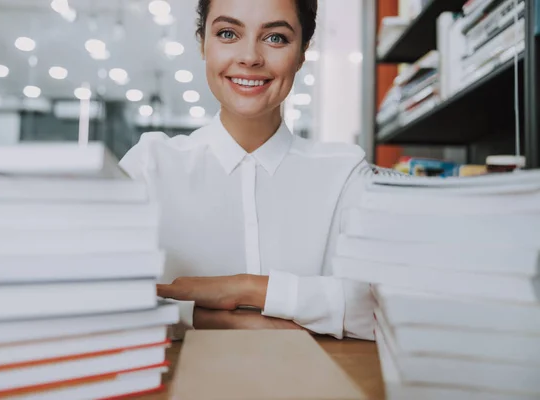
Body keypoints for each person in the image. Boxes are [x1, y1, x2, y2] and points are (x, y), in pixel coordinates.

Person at [120, 0, 376, 340]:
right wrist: (204, 317)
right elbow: (92, 297)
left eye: (275, 38)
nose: (250, 57)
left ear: (302, 53)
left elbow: (388, 308)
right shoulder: (149, 167)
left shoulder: (345, 175)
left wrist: (247, 289)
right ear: (203, 43)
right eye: (228, 33)